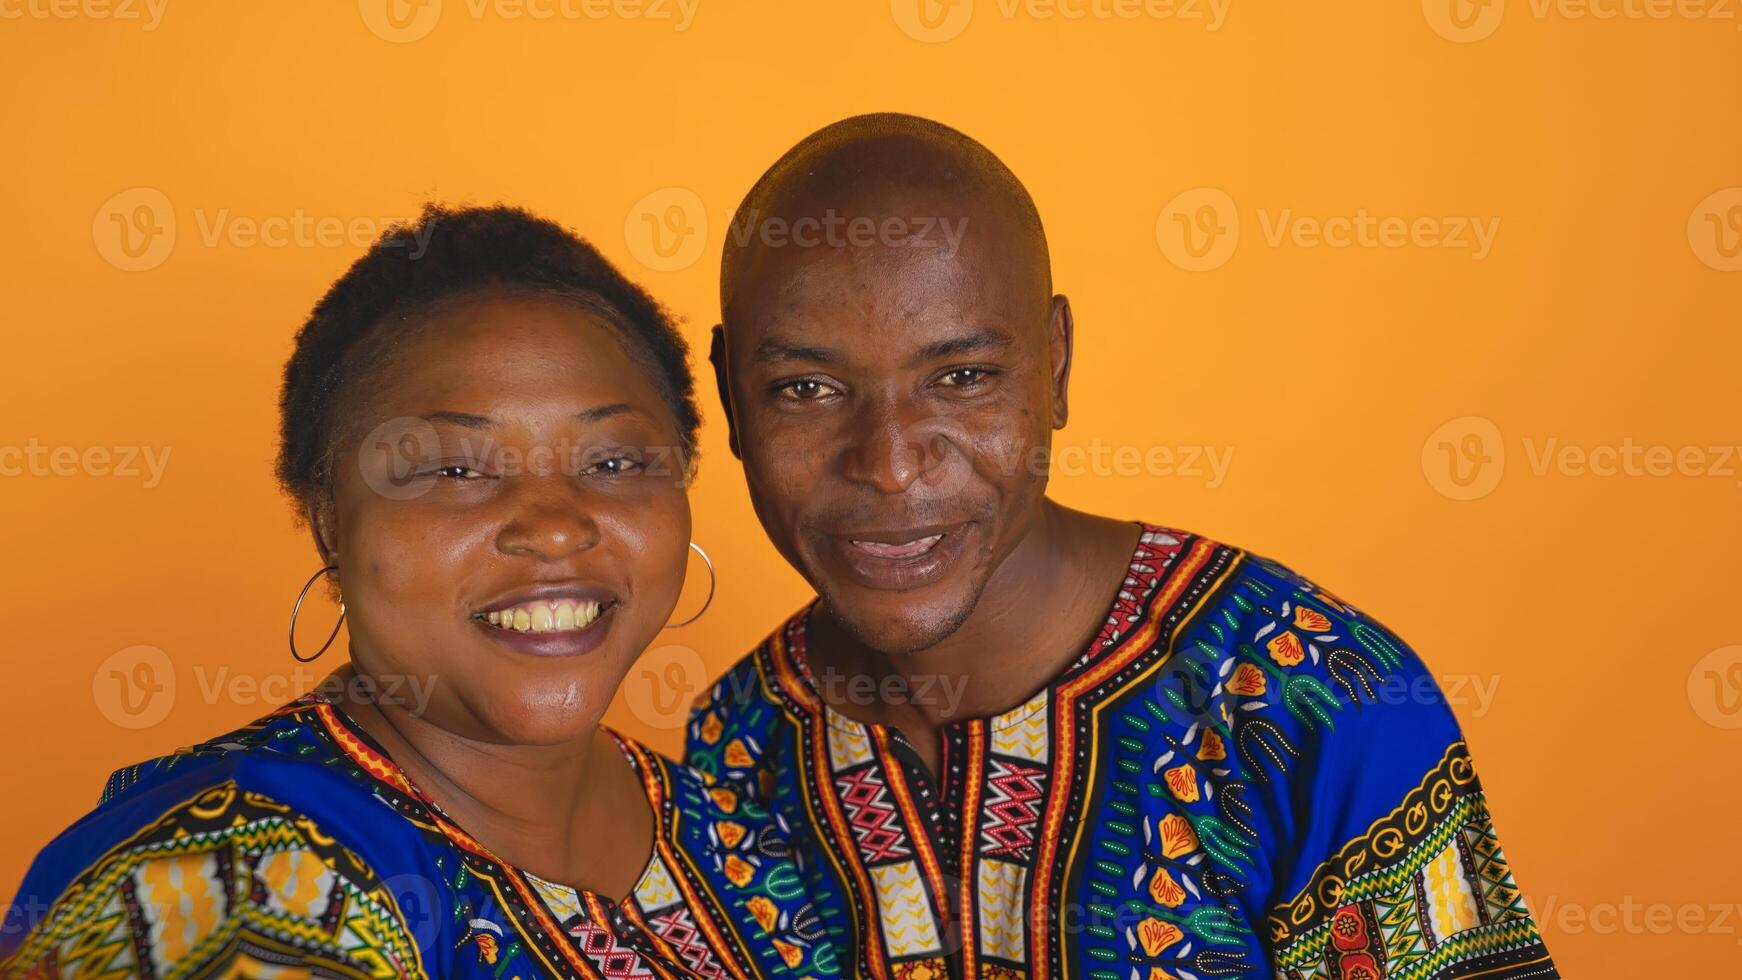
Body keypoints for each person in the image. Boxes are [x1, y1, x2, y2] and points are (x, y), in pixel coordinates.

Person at [686, 114, 1558, 979]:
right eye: (805, 388)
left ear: (1055, 366)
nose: (889, 463)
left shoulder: (1308, 699)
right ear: (730, 398)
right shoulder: (731, 747)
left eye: (961, 378)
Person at [1, 205, 840, 979]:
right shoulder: (240, 878)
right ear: (332, 521)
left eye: (613, 462)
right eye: (453, 468)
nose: (553, 527)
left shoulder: (751, 841)